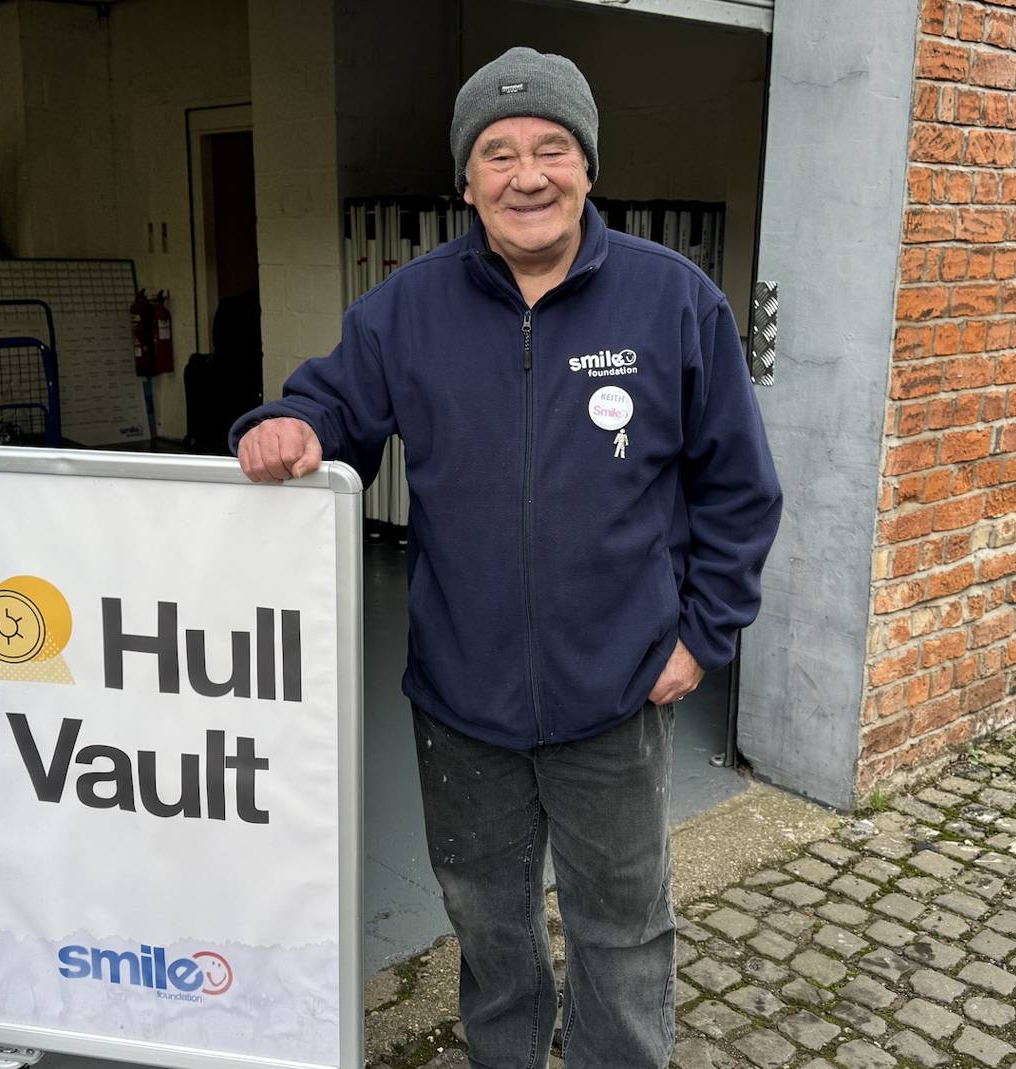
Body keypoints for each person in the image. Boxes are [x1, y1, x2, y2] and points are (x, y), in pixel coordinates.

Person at [231, 46, 782, 1069]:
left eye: (551, 148)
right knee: (487, 921)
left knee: (622, 926)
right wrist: (283, 425)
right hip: (459, 698)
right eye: (497, 153)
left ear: (587, 167)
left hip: (615, 693)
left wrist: (701, 637)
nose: (526, 174)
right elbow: (326, 404)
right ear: (467, 179)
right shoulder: (408, 307)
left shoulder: (673, 302)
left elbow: (739, 485)